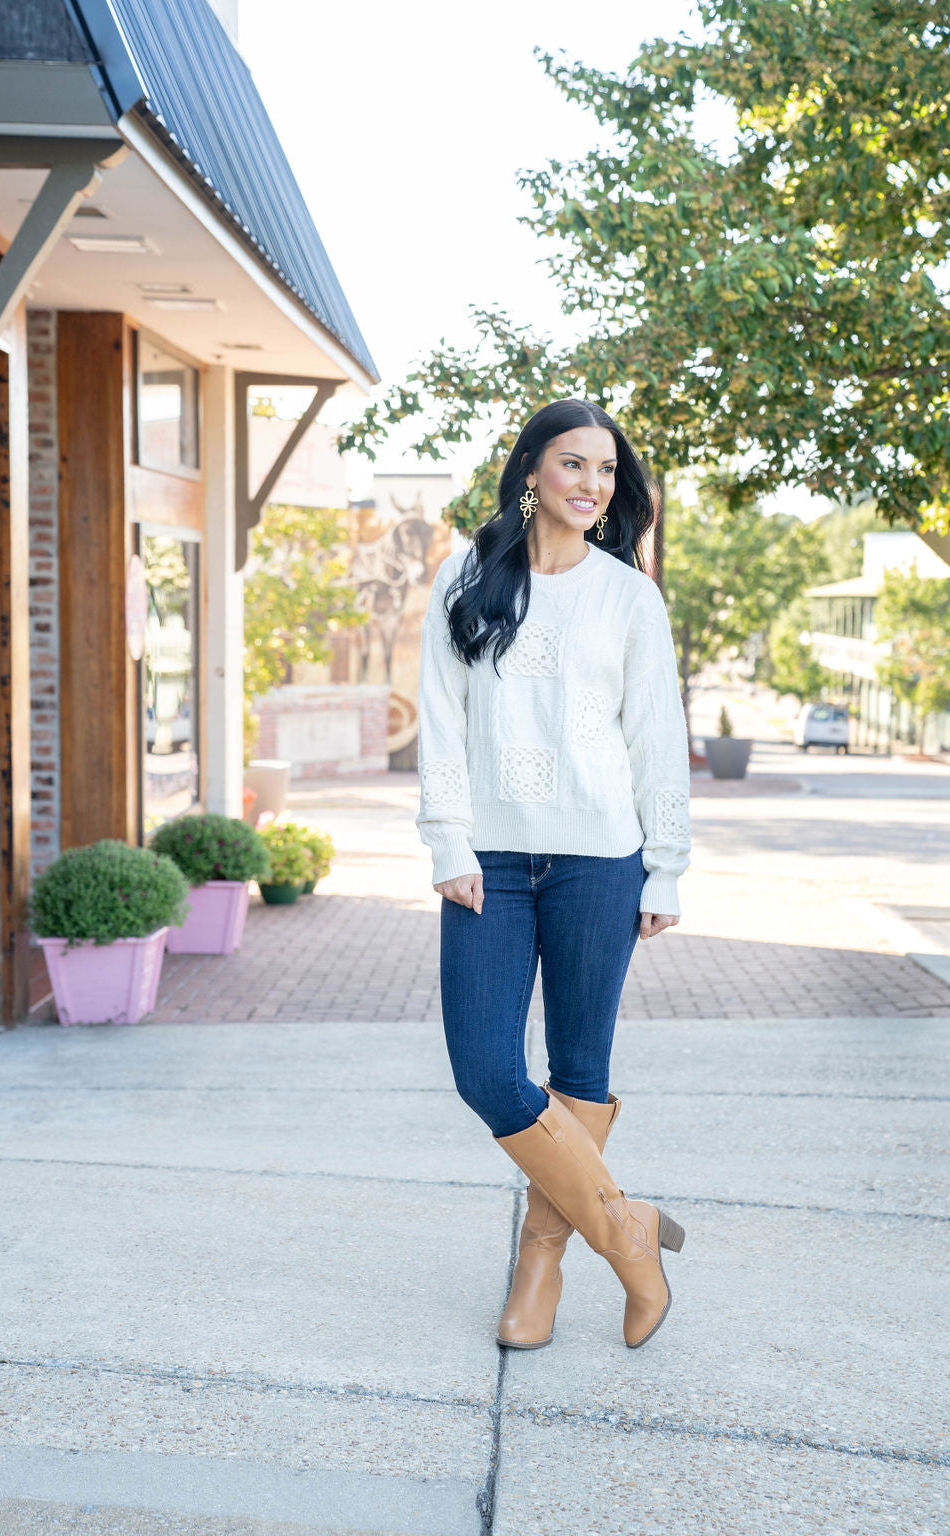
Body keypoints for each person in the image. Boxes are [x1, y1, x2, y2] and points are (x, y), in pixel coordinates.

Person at [415, 398, 691, 1351]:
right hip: (489, 858)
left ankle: (539, 1271)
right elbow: (440, 720)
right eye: (573, 465)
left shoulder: (629, 596)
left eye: (607, 472)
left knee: (580, 1070)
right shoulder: (467, 574)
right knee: (487, 1069)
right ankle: (626, 1233)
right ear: (530, 469)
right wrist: (448, 843)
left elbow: (658, 740)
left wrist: (666, 869)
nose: (592, 485)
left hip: (600, 860)